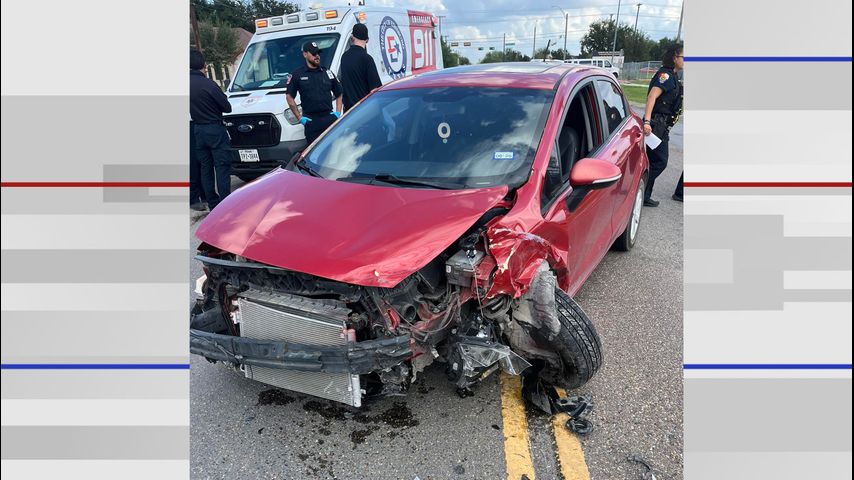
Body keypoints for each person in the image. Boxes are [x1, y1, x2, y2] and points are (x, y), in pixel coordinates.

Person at [642, 44, 684, 207]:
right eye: (683, 57)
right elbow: (652, 97)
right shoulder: (665, 75)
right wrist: (647, 121)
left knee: (652, 160)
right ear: (674, 58)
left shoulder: (673, 76)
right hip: (655, 125)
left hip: (661, 125)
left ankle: (645, 195)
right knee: (660, 161)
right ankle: (639, 188)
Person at [190, 49, 232, 210]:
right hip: (214, 129)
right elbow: (226, 107)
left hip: (198, 130)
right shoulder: (209, 85)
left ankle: (212, 203)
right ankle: (226, 205)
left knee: (206, 168)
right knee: (222, 167)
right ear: (203, 65)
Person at [286, 42, 343, 145]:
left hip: (329, 119)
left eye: (318, 53)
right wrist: (300, 118)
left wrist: (338, 113)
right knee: (313, 155)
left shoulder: (327, 73)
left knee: (333, 153)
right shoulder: (297, 74)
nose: (317, 56)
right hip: (311, 121)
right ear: (305, 54)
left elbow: (339, 93)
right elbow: (289, 97)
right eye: (313, 53)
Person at [340, 23, 382, 112]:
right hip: (364, 112)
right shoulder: (367, 59)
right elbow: (375, 90)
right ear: (367, 40)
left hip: (349, 112)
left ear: (352, 38)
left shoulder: (344, 57)